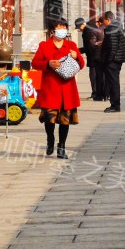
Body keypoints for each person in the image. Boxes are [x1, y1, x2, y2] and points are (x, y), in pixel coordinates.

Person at [32, 19, 85, 158]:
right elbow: (35, 63)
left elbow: (81, 64)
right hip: (51, 88)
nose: (62, 30)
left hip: (68, 88)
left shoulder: (71, 45)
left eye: (64, 27)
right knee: (50, 119)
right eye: (59, 27)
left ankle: (62, 147)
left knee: (65, 120)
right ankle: (50, 139)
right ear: (52, 30)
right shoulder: (44, 46)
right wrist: (48, 64)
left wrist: (76, 57)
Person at [100, 10, 125, 113]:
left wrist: (108, 60)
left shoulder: (112, 28)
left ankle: (115, 105)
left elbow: (112, 46)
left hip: (113, 60)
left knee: (113, 83)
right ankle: (114, 104)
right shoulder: (118, 26)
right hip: (117, 59)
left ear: (108, 19)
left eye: (104, 21)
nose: (103, 23)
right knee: (113, 82)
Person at [75, 17, 104, 100]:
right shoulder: (90, 28)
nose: (79, 29)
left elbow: (90, 46)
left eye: (79, 27)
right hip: (96, 55)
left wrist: (77, 51)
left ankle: (96, 93)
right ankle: (98, 93)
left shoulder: (88, 31)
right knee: (97, 75)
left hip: (94, 56)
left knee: (93, 75)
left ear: (83, 24)